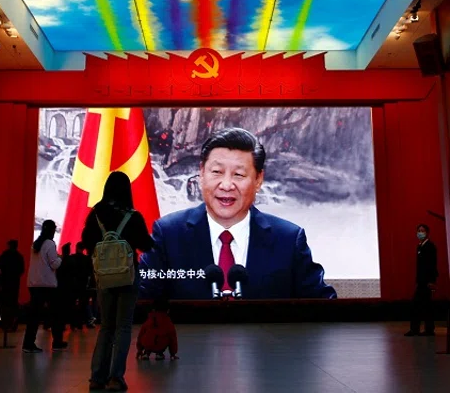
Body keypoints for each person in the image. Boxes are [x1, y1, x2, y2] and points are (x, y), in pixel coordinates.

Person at [139, 128, 336, 300]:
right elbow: (139, 303)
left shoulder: (288, 239)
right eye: (216, 172)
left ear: (258, 179)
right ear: (201, 173)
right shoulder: (168, 234)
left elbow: (322, 308)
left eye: (239, 175)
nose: (226, 185)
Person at [81, 171, 153, 392]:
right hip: (127, 277)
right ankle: (115, 378)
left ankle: (96, 378)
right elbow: (146, 245)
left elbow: (86, 242)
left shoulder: (96, 214)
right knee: (123, 327)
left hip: (104, 278)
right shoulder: (133, 216)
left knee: (106, 328)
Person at [22, 220, 66, 353]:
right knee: (56, 314)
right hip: (47, 285)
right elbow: (54, 264)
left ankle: (28, 344)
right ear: (52, 230)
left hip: (34, 283)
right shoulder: (50, 244)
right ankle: (57, 342)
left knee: (34, 316)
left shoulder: (36, 244)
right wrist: (61, 258)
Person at [405, 223, 438, 337]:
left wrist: (431, 281)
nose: (420, 232)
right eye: (419, 230)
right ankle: (422, 329)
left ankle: (421, 330)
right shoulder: (420, 246)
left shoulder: (430, 246)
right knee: (423, 305)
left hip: (426, 282)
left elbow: (432, 265)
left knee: (419, 305)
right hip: (421, 281)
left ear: (427, 233)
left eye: (422, 230)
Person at [0, 240, 24, 329]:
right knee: (13, 302)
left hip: (5, 282)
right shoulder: (19, 256)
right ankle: (12, 323)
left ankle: (5, 323)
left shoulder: (5, 255)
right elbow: (22, 270)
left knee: (5, 302)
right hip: (15, 282)